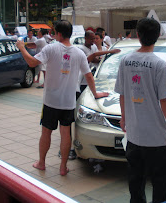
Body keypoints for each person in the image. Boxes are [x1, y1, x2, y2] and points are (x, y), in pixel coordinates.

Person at [15, 20, 109, 176]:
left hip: (51, 101)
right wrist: (96, 94)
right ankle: (63, 167)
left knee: (46, 133)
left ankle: (42, 163)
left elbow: (32, 62)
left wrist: (21, 48)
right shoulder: (79, 53)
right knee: (66, 134)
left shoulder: (51, 49)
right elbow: (89, 76)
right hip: (69, 102)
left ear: (58, 34)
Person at [115, 18, 166, 203]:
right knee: (161, 184)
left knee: (135, 182)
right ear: (157, 37)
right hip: (157, 139)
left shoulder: (125, 60)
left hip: (134, 136)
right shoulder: (159, 65)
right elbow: (165, 100)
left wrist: (123, 118)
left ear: (138, 35)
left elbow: (122, 94)